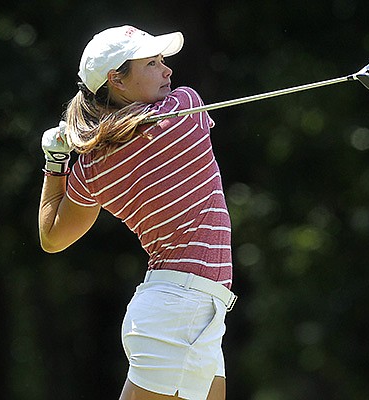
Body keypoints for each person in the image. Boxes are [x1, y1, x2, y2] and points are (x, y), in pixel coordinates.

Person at [38, 25, 236, 400]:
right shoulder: (184, 108)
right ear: (117, 80)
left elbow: (52, 237)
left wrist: (56, 163)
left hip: (189, 310)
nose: (168, 71)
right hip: (181, 310)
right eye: (152, 63)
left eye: (163, 62)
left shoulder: (92, 165)